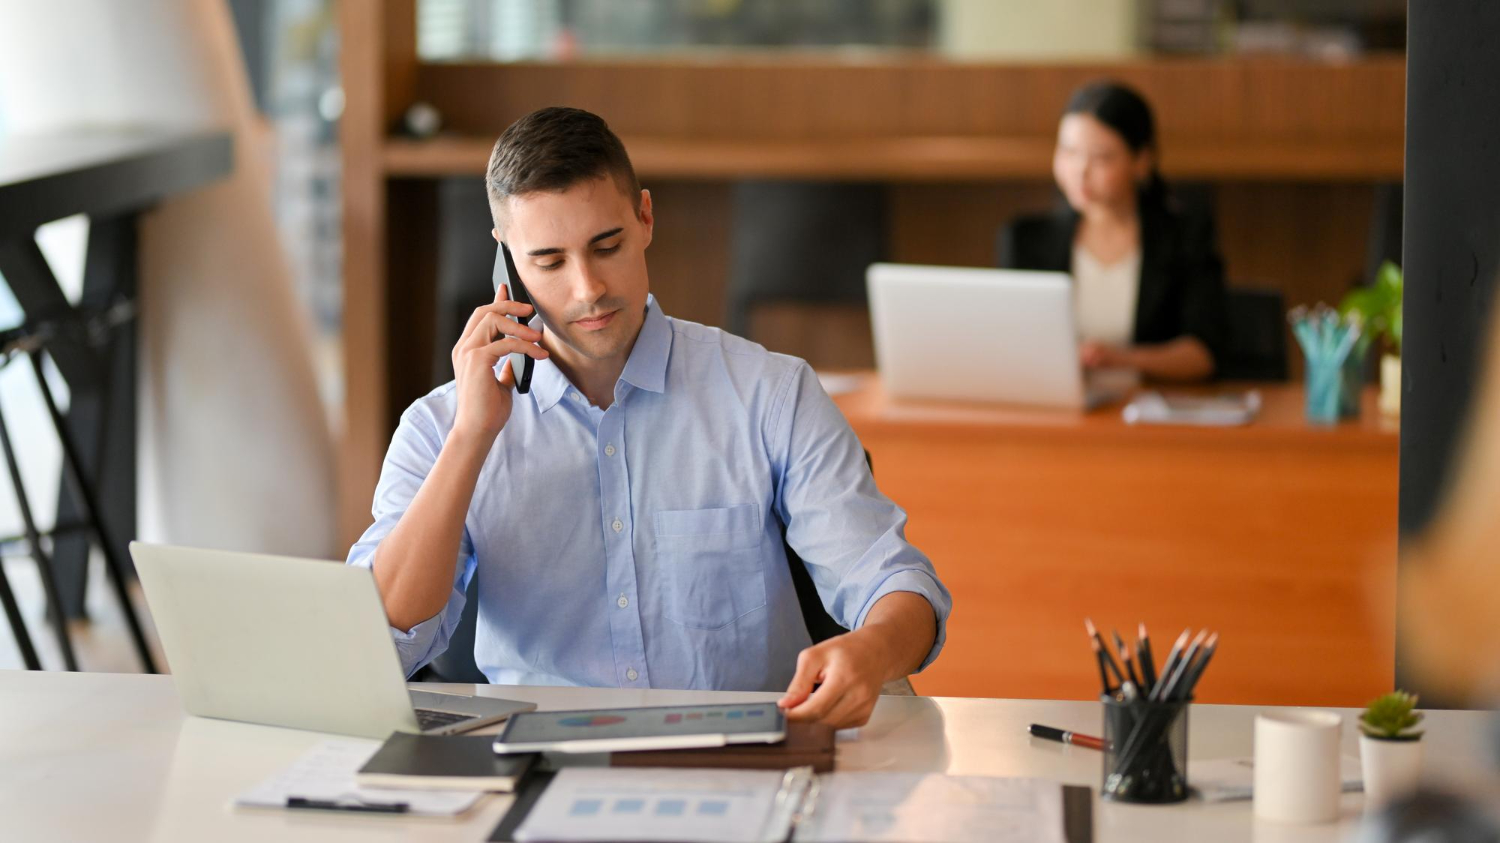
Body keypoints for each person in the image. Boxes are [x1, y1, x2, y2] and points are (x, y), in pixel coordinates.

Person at [347, 107, 951, 729]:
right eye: (549, 261)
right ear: (507, 263)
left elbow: (899, 583)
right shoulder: (438, 426)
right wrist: (471, 439)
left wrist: (872, 650)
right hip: (540, 765)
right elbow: (383, 642)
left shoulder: (771, 394)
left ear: (644, 218)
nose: (587, 289)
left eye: (605, 246)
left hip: (741, 763)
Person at [998, 81, 1229, 382]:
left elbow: (1204, 353)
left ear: (1142, 161)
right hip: (1058, 411)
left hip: (1148, 411)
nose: (1080, 170)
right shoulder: (1024, 238)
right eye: (1068, 152)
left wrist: (1120, 359)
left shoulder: (1184, 237)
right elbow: (1010, 346)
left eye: (1101, 157)